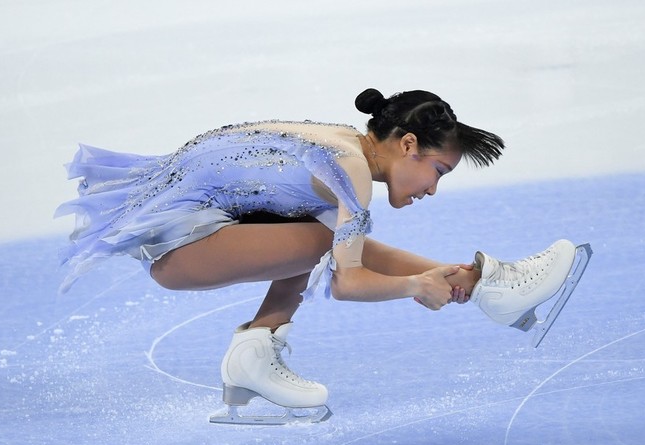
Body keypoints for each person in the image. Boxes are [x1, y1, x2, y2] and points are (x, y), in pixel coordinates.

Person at [56, 88, 582, 423]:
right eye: (438, 172)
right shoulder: (349, 171)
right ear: (407, 145)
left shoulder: (339, 145)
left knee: (322, 234)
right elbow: (346, 280)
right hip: (183, 251)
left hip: (196, 235)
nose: (432, 189)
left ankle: (252, 358)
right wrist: (415, 286)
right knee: (320, 239)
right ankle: (490, 289)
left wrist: (435, 276)